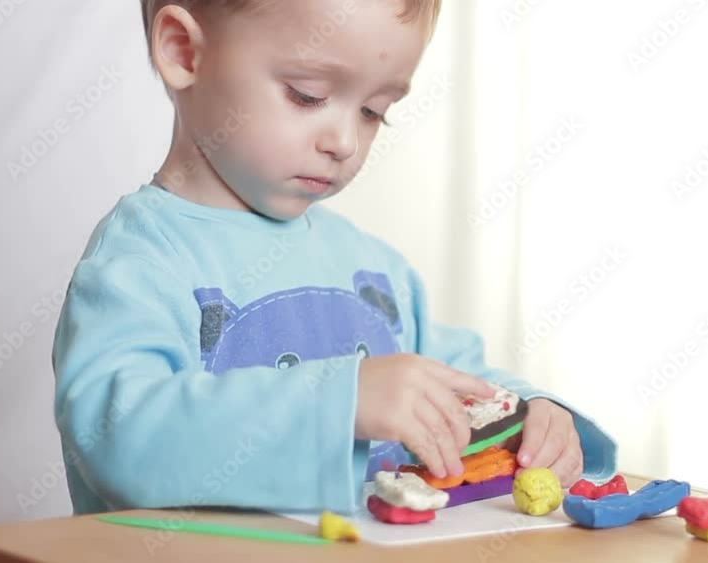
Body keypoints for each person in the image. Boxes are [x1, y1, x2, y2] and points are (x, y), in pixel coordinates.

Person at [52, 0, 617, 515]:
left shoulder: (374, 268)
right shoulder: (142, 259)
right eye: (308, 94)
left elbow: (458, 383)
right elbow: (118, 437)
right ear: (183, 50)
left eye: (374, 110)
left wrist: (531, 414)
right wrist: (338, 403)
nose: (344, 140)